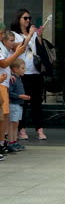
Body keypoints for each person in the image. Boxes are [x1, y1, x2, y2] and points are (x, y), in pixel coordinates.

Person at [10, 9, 46, 140]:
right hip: (22, 74)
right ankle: (21, 128)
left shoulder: (33, 34)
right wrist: (30, 35)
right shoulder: (15, 34)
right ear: (18, 19)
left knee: (37, 102)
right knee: (23, 102)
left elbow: (40, 50)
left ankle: (39, 129)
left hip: (35, 72)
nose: (28, 20)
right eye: (25, 18)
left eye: (29, 18)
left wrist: (39, 36)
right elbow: (19, 48)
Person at [0, 26, 27, 155]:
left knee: (5, 117)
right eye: (10, 40)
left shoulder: (5, 49)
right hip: (1, 85)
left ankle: (3, 142)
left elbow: (7, 64)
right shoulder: (2, 48)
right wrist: (17, 53)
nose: (12, 42)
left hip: (3, 83)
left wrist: (31, 35)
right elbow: (4, 64)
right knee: (4, 117)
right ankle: (4, 142)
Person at [9, 58, 30, 151]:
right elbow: (10, 92)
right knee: (12, 124)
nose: (24, 70)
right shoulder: (13, 79)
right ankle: (11, 142)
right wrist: (19, 96)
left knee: (16, 124)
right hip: (14, 104)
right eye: (22, 68)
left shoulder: (18, 78)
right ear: (15, 69)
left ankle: (14, 141)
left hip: (18, 104)